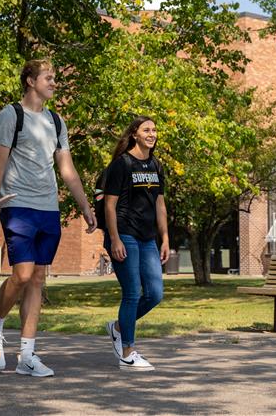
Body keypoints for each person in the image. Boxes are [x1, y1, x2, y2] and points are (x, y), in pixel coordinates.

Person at [0, 58, 96, 377]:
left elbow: (67, 170)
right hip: (17, 205)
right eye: (49, 77)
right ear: (30, 81)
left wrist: (86, 206)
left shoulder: (57, 122)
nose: (54, 82)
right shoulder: (11, 116)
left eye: (55, 77)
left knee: (37, 278)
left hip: (48, 207)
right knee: (21, 274)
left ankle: (28, 355)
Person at [102, 116, 169, 371]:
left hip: (147, 237)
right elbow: (109, 205)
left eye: (154, 129)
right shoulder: (122, 165)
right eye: (146, 130)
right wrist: (115, 238)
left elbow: (160, 204)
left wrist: (165, 238)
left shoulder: (156, 165)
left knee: (154, 294)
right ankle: (128, 351)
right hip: (125, 235)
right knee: (132, 293)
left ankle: (118, 327)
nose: (151, 134)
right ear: (134, 135)